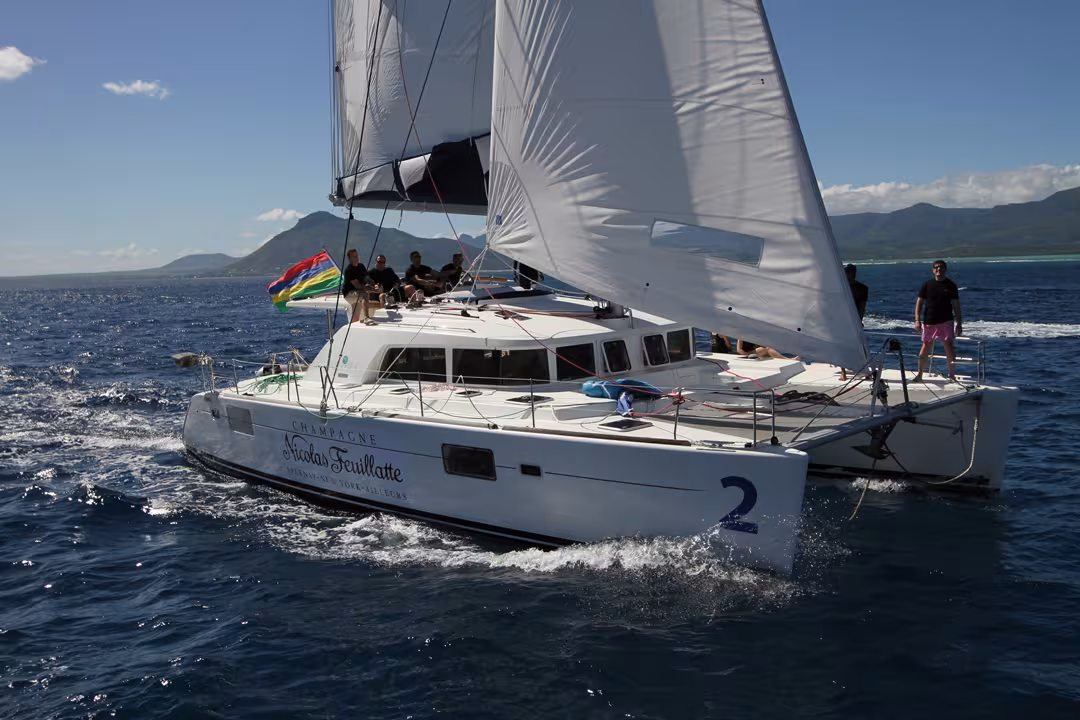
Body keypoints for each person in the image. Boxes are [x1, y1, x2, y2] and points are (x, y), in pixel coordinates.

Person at [912, 259, 962, 382]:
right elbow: (919, 303)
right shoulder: (927, 284)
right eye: (936, 267)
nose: (938, 269)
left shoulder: (951, 285)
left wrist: (959, 324)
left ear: (945, 269)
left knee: (949, 348)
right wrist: (917, 320)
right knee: (925, 347)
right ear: (933, 269)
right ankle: (919, 374)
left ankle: (951, 375)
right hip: (929, 321)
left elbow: (956, 306)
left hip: (946, 321)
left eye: (941, 267)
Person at [841, 264, 869, 380]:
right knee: (843, 346)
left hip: (854, 320)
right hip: (843, 320)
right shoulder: (841, 288)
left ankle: (866, 370)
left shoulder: (862, 288)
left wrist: (859, 321)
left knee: (860, 347)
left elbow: (862, 307)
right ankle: (843, 372)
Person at [342, 248, 375, 325]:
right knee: (364, 294)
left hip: (357, 293)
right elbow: (358, 286)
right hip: (348, 294)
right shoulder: (349, 270)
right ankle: (367, 317)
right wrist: (373, 290)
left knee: (355, 317)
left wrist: (374, 285)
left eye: (357, 256)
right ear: (349, 259)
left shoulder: (361, 266)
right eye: (354, 257)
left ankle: (354, 326)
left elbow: (367, 278)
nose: (356, 258)